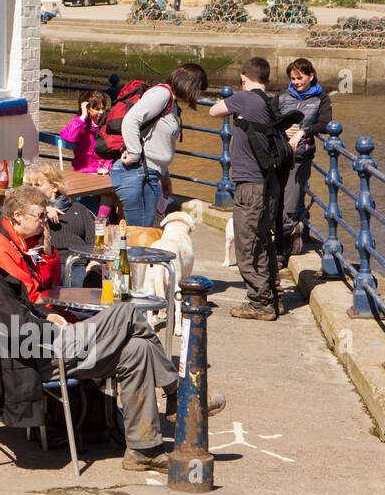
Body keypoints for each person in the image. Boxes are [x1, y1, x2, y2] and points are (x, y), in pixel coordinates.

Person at [0, 197, 195, 472]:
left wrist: (45, 314)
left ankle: (144, 449)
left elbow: (17, 311)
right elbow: (18, 328)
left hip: (28, 352)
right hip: (38, 355)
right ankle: (178, 390)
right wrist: (56, 327)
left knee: (137, 350)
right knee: (127, 313)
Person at [210, 57, 298, 320]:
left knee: (247, 244)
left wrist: (237, 99)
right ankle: (274, 296)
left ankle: (259, 303)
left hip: (250, 184)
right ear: (268, 80)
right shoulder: (268, 103)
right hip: (269, 182)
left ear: (243, 77)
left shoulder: (245, 98)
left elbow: (213, 111)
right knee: (263, 240)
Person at [111, 63, 209, 226]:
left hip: (149, 173)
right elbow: (131, 120)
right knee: (139, 233)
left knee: (144, 232)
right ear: (189, 85)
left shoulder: (171, 102)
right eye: (198, 90)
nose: (197, 95)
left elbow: (156, 143)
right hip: (136, 172)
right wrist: (134, 154)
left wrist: (165, 177)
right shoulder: (162, 94)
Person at [277, 57, 332, 257]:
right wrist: (283, 130)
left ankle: (284, 247)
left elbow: (325, 123)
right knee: (275, 199)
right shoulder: (282, 97)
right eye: (292, 78)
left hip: (300, 156)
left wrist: (303, 132)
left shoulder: (322, 99)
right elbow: (271, 119)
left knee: (290, 203)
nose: (295, 82)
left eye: (299, 78)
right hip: (277, 155)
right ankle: (286, 239)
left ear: (311, 76)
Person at [0, 185, 62, 304]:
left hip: (45, 306)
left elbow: (52, 283)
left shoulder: (28, 239)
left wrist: (48, 253)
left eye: (45, 215)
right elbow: (28, 297)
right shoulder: (1, 248)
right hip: (30, 316)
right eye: (40, 215)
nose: (45, 220)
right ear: (18, 216)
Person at [27, 163, 98, 287]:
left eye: (38, 185)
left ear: (54, 187)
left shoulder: (78, 208)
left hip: (78, 263)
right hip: (46, 263)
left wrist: (94, 261)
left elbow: (94, 239)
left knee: (82, 295)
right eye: (30, 185)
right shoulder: (30, 212)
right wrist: (43, 211)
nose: (33, 189)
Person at [59, 89, 112, 174]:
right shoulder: (80, 123)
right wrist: (83, 116)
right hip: (84, 170)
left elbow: (112, 152)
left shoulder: (107, 124)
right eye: (97, 109)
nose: (101, 112)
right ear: (87, 109)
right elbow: (69, 137)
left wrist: (107, 167)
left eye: (103, 108)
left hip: (104, 171)